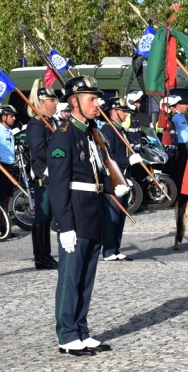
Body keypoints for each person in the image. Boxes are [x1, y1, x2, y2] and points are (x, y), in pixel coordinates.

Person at [48, 75, 130, 356]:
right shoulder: (64, 134)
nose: (98, 104)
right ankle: (67, 334)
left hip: (93, 210)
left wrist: (115, 186)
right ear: (74, 102)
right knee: (71, 276)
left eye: (97, 98)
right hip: (75, 213)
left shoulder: (90, 132)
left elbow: (94, 173)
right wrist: (65, 224)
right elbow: (58, 185)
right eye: (91, 99)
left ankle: (81, 329)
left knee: (86, 277)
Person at [100, 96, 142, 261]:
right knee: (113, 215)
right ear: (114, 111)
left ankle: (115, 248)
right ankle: (109, 250)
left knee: (121, 215)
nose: (126, 115)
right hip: (113, 179)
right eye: (123, 111)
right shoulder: (108, 130)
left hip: (123, 176)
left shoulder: (119, 128)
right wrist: (127, 161)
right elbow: (109, 156)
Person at [26, 80, 60, 269]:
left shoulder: (51, 122)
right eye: (51, 100)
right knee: (42, 216)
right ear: (41, 103)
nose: (55, 103)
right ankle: (40, 257)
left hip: (53, 174)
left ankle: (46, 254)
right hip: (43, 175)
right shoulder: (36, 125)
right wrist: (61, 156)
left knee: (47, 218)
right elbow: (40, 151)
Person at [0, 104, 18, 238]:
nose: (14, 118)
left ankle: (5, 226)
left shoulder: (9, 132)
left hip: (10, 168)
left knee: (6, 200)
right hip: (0, 168)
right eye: (11, 116)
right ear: (4, 117)